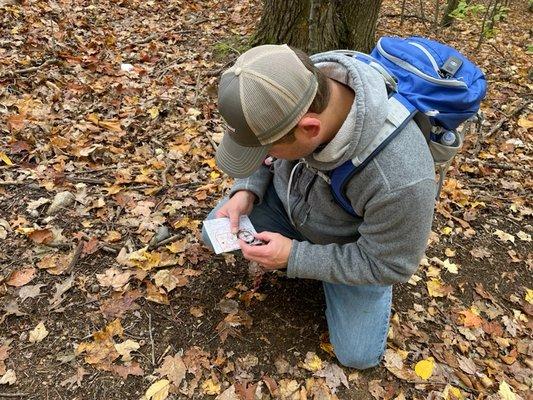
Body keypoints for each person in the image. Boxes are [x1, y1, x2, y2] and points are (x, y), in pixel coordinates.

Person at [201, 44, 436, 369]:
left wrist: (296, 257)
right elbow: (263, 153)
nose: (265, 155)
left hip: (351, 246)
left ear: (310, 129)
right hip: (289, 206)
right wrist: (246, 189)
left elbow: (391, 265)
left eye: (268, 148)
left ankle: (341, 281)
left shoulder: (399, 176)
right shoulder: (293, 83)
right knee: (212, 230)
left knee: (358, 356)